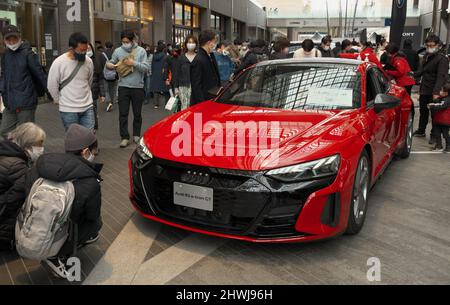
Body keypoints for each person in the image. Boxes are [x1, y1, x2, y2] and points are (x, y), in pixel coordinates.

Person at [25, 124, 102, 278]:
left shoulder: (40, 164)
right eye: (95, 151)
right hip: (56, 230)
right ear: (85, 152)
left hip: (32, 224)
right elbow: (92, 215)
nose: (96, 154)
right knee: (96, 224)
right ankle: (56, 254)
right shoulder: (89, 181)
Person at [0, 123, 46, 250]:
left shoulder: (6, 151)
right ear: (28, 145)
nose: (42, 148)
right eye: (40, 143)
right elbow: (18, 198)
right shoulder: (16, 165)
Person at [0, 25, 47, 139]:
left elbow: (39, 74)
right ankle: (17, 150)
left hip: (26, 101)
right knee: (5, 130)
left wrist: (51, 93)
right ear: (4, 40)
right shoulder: (5, 55)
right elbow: (4, 76)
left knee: (27, 134)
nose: (12, 41)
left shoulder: (28, 54)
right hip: (9, 102)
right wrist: (2, 89)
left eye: (14, 38)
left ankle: (28, 155)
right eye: (8, 39)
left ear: (19, 37)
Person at [105, 30, 150, 148]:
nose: (125, 44)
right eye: (123, 42)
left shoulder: (141, 51)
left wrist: (133, 63)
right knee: (123, 113)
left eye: (127, 42)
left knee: (137, 113)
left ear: (133, 40)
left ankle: (136, 135)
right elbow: (111, 62)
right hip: (123, 86)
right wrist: (109, 65)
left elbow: (146, 68)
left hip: (138, 87)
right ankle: (124, 137)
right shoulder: (117, 51)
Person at [47, 32, 95, 132]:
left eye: (86, 50)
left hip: (87, 107)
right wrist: (58, 100)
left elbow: (89, 81)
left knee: (89, 138)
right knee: (74, 140)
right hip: (68, 109)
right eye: (81, 50)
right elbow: (52, 85)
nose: (84, 53)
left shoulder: (89, 61)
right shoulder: (59, 62)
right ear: (71, 48)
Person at [413, 34, 449, 139]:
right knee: (423, 111)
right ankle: (421, 130)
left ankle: (434, 136)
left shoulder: (442, 59)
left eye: (432, 45)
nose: (429, 47)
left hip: (434, 90)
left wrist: (436, 93)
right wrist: (411, 74)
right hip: (424, 89)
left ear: (438, 45)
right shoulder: (426, 56)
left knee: (434, 114)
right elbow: (421, 71)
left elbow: (441, 77)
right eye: (427, 45)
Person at [190, 30, 221, 105]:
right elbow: (196, 86)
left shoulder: (210, 55)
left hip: (211, 100)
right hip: (200, 103)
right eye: (214, 42)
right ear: (209, 43)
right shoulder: (198, 60)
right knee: (198, 117)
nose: (215, 45)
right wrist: (202, 104)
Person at [174, 36, 197, 111]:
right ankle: (185, 122)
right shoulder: (181, 58)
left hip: (196, 87)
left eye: (193, 42)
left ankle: (197, 122)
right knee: (185, 108)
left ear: (196, 44)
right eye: (189, 42)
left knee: (196, 108)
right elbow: (176, 73)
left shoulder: (198, 57)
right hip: (184, 87)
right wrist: (176, 87)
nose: (191, 44)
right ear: (186, 44)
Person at [87, 43, 105, 132]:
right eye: (85, 49)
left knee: (92, 109)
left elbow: (100, 79)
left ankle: (93, 127)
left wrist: (102, 94)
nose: (87, 51)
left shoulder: (96, 62)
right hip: (82, 92)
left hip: (93, 91)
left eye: (89, 48)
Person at [428, 83, 450, 152]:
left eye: (442, 90)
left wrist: (432, 106)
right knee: (437, 133)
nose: (440, 91)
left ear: (446, 93)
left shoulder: (447, 100)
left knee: (445, 134)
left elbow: (441, 106)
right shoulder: (442, 98)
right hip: (438, 120)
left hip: (445, 121)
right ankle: (438, 145)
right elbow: (437, 101)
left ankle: (448, 146)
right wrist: (435, 100)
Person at [100, 42, 118, 112]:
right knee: (112, 90)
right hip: (114, 75)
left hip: (105, 76)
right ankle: (112, 102)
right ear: (112, 47)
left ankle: (109, 102)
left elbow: (101, 66)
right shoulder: (115, 54)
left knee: (106, 90)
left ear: (105, 47)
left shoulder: (102, 55)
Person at [149, 43, 169, 109]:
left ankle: (156, 104)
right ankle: (167, 104)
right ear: (164, 49)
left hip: (155, 74)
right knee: (166, 89)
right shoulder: (165, 56)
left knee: (156, 90)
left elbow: (152, 65)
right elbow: (166, 66)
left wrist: (152, 73)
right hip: (163, 74)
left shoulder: (154, 56)